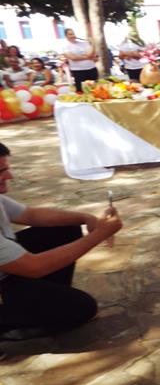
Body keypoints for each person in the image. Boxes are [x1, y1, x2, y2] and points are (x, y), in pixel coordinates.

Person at [0, 143, 123, 341]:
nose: (9, 176)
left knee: (65, 227)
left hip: (9, 271)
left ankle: (43, 304)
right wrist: (99, 234)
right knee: (82, 308)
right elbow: (34, 267)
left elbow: (31, 215)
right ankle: (10, 320)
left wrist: (85, 218)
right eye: (1, 171)